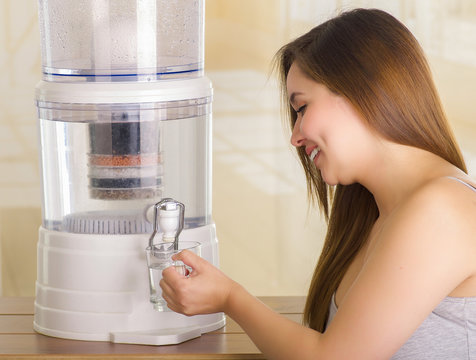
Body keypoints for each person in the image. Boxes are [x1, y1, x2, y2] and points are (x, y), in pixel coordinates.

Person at [160, 8, 476, 359]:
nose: (296, 137)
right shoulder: (379, 215)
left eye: (303, 108)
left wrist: (230, 298)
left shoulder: (440, 209)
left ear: (361, 90)